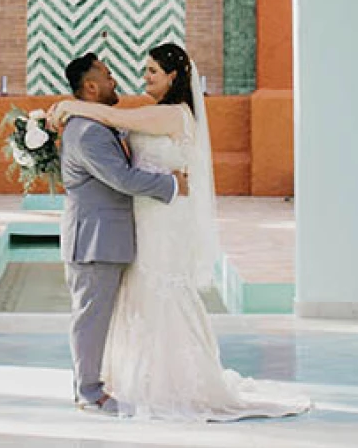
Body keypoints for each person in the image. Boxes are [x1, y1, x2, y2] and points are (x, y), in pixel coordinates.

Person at [49, 43, 312, 421]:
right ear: (90, 86)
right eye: (143, 71)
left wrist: (69, 106)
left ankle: (173, 382)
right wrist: (70, 108)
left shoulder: (172, 115)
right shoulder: (130, 119)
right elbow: (115, 136)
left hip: (160, 221)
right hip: (140, 221)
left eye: (152, 71)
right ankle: (123, 382)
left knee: (163, 293)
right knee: (134, 301)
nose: (142, 78)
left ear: (173, 77)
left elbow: (114, 122)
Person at [54, 51, 186, 415]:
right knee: (91, 317)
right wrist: (171, 185)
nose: (116, 82)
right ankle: (89, 392)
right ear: (92, 87)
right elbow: (123, 179)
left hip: (106, 237)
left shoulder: (94, 124)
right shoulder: (88, 133)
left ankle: (95, 384)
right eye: (108, 76)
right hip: (94, 239)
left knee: (97, 315)